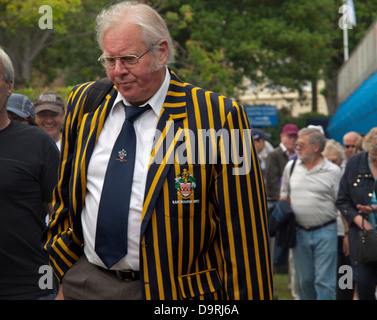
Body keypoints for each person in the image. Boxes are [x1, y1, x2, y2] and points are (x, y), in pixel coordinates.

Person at [43, 1, 272, 300]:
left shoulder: (218, 117)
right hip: (85, 282)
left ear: (161, 52)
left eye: (128, 58)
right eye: (109, 60)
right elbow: (66, 193)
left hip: (173, 294)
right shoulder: (86, 101)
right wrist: (65, 272)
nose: (118, 71)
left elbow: (244, 232)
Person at [0, 47, 60, 299]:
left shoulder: (38, 143)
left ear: (9, 86)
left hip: (30, 289)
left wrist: (63, 287)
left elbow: (62, 219)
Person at [280, 127, 342, 300]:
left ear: (316, 147)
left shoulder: (333, 171)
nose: (296, 147)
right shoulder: (291, 167)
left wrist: (344, 234)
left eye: (301, 144)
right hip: (298, 232)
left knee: (324, 281)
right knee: (304, 281)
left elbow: (341, 203)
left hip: (326, 231)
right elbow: (284, 194)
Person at [336, 126, 377, 300]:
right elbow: (342, 200)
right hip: (361, 238)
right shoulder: (355, 163)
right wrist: (362, 222)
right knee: (364, 285)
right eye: (374, 155)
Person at [322, 139, 353, 300]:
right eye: (329, 160)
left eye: (335, 160)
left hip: (343, 230)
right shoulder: (322, 175)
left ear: (341, 160)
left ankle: (345, 296)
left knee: (344, 268)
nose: (332, 164)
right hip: (326, 229)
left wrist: (347, 233)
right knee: (327, 270)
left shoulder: (346, 175)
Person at [265, 123, 299, 201]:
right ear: (282, 136)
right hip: (280, 199)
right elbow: (271, 182)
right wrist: (283, 200)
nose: (293, 140)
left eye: (295, 137)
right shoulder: (274, 155)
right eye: (290, 136)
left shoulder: (299, 155)